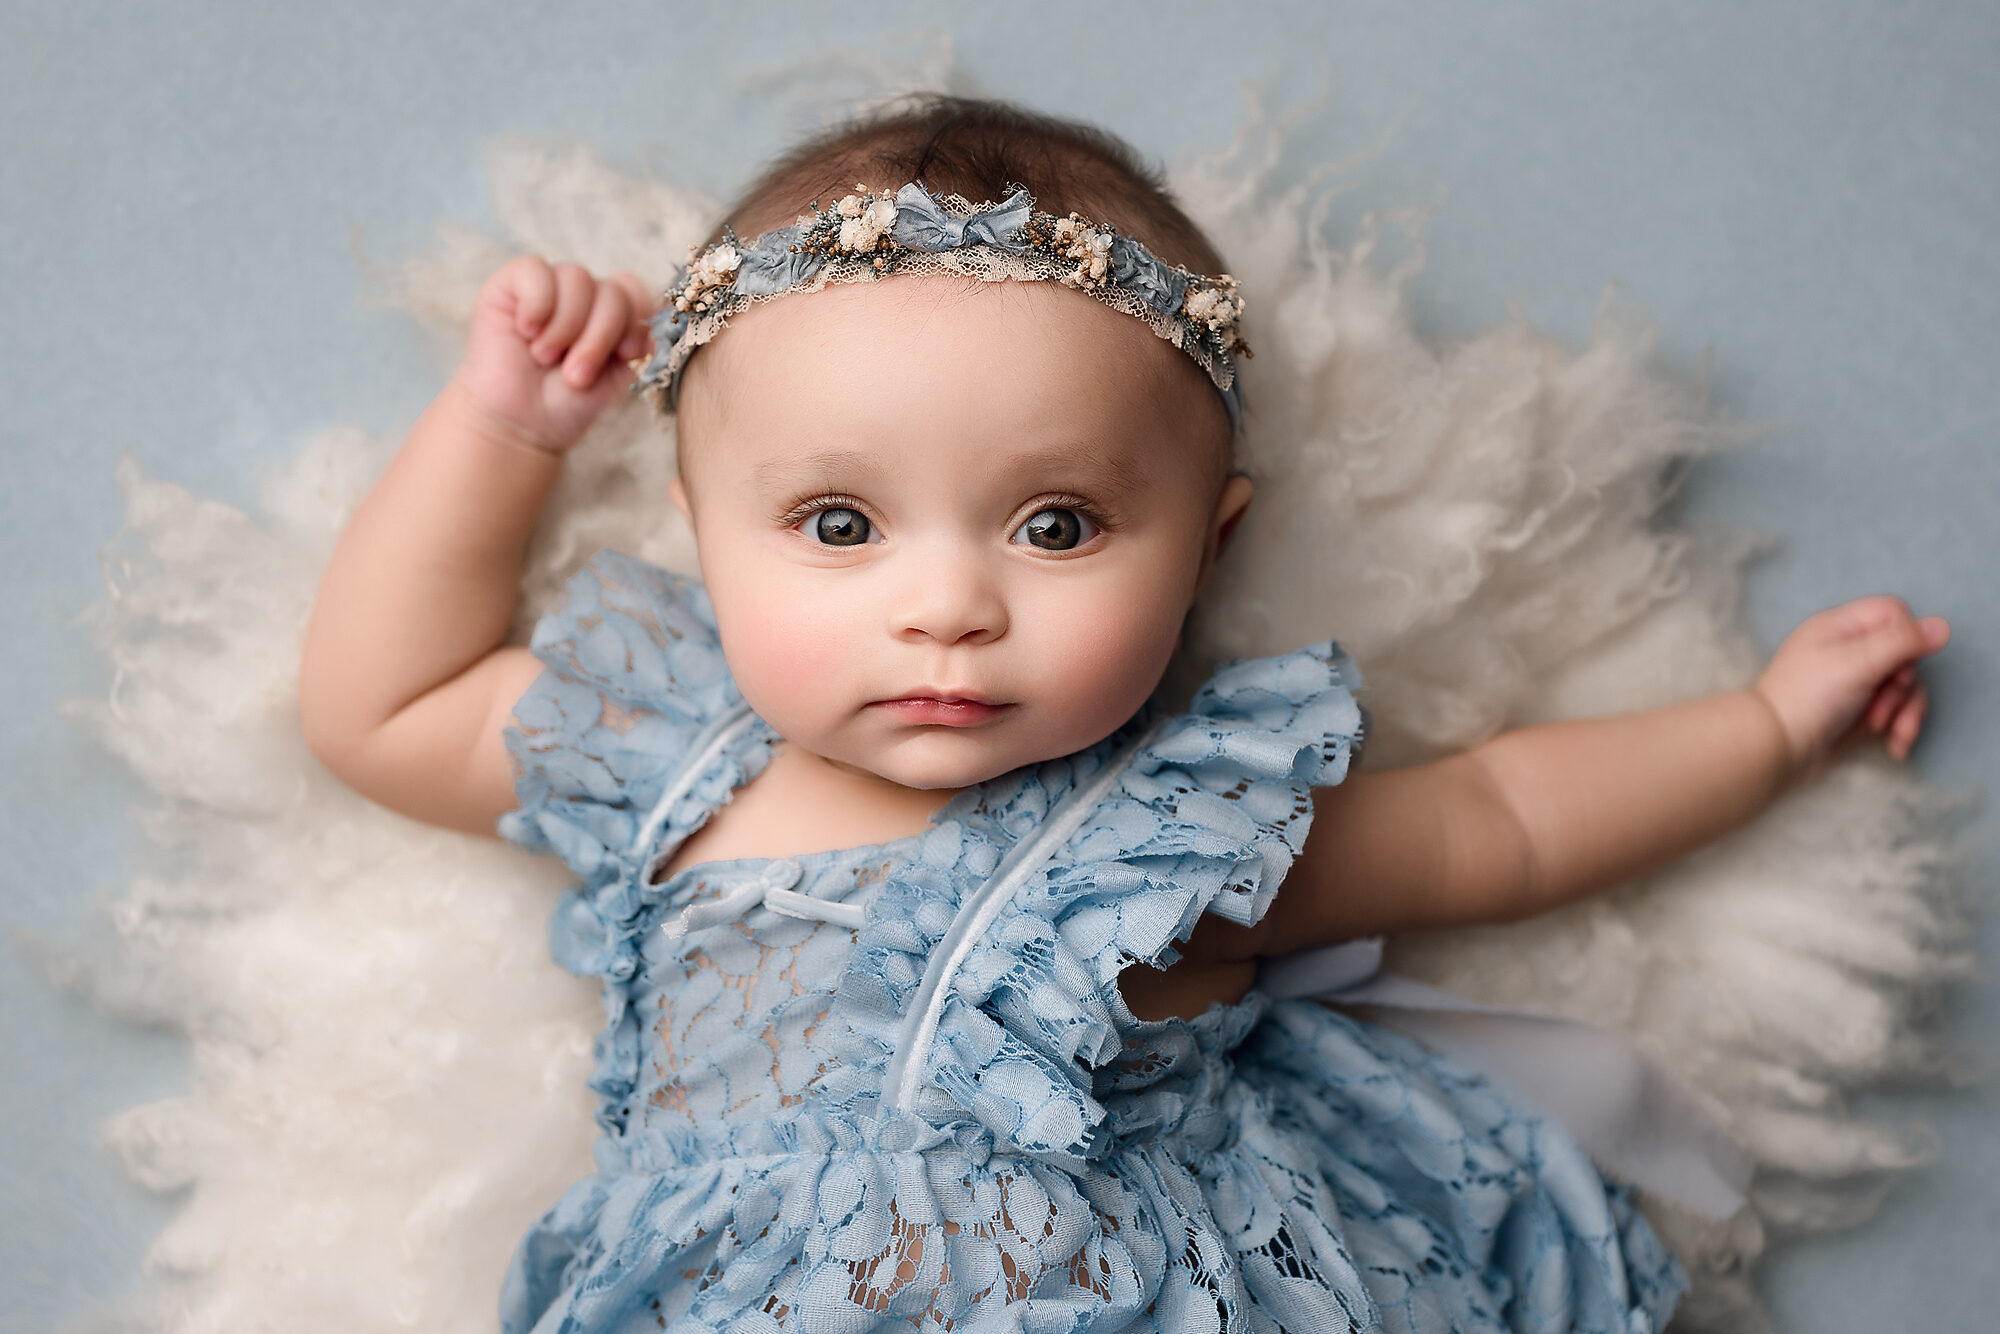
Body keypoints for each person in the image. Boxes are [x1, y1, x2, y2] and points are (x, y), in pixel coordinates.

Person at [296, 96, 1949, 1333]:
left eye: (1059, 524)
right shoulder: (676, 768)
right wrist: (501, 434)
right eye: (840, 525)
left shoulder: (1178, 826)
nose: (946, 603)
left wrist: (1765, 721)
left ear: (1206, 545)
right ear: (699, 526)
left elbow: (1501, 823)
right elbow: (386, 704)